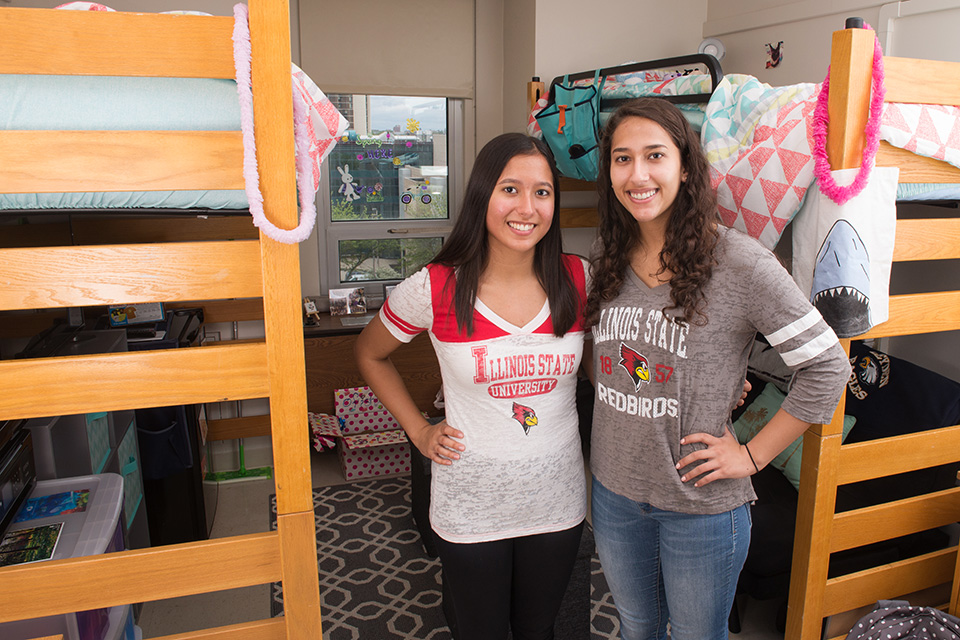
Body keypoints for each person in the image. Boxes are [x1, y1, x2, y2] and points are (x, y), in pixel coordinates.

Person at [584, 98, 851, 640]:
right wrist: (698, 385)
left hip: (699, 506)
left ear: (685, 167)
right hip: (613, 491)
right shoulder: (606, 256)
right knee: (637, 628)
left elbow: (827, 367)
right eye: (622, 158)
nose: (637, 175)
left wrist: (753, 455)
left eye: (654, 156)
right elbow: (601, 362)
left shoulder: (739, 262)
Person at [355, 132, 588, 640]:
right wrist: (418, 431)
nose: (527, 207)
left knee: (538, 630)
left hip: (557, 502)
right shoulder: (436, 286)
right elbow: (369, 354)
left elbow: (641, 344)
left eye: (543, 192)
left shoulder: (579, 280)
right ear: (483, 195)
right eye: (511, 189)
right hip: (471, 506)